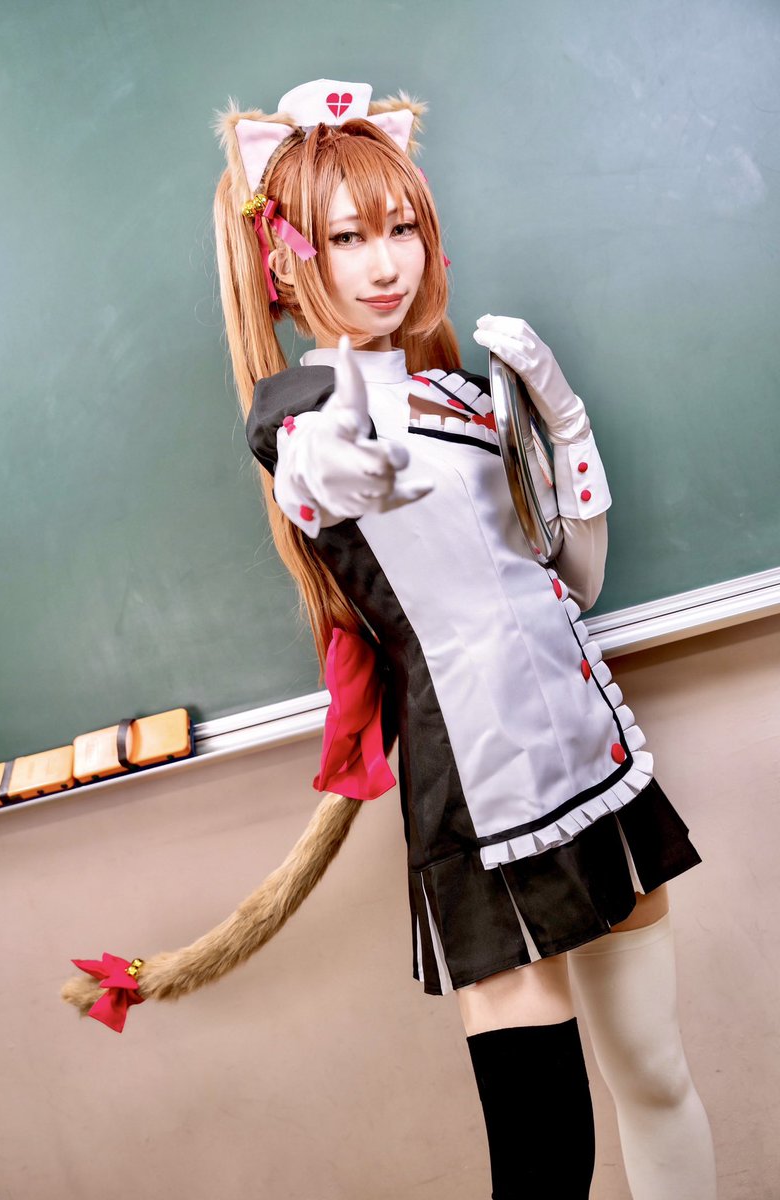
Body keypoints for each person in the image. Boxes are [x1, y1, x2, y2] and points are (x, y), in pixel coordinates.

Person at [213, 78, 718, 1199]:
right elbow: (313, 467)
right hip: (481, 798)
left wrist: (563, 425)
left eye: (400, 228)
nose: (383, 263)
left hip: (594, 756)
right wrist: (341, 458)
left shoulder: (461, 396)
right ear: (288, 260)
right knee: (545, 1160)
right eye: (347, 238)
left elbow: (570, 581)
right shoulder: (299, 412)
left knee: (658, 1078)